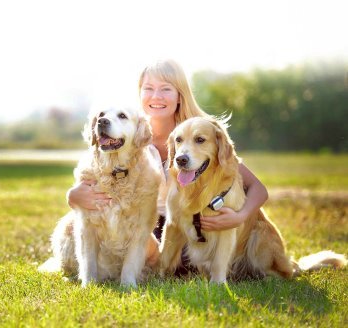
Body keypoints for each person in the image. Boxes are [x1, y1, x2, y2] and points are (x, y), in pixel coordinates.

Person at [66, 59, 268, 272]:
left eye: (166, 89)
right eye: (149, 89)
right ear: (140, 93)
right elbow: (99, 179)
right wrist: (72, 196)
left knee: (181, 259)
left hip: (185, 227)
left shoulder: (199, 132)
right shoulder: (127, 131)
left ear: (180, 95)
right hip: (140, 224)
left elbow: (259, 189)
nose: (156, 96)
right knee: (75, 227)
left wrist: (239, 216)